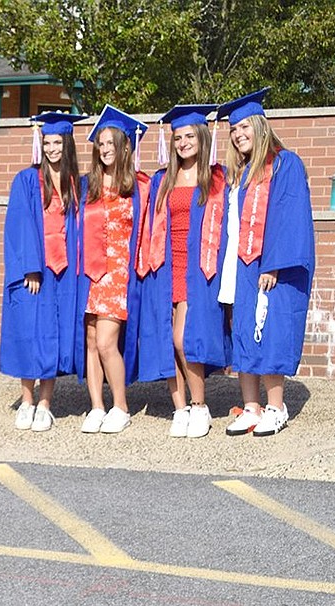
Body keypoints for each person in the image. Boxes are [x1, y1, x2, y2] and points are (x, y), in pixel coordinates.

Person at [216, 88, 315, 437]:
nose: (239, 134)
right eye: (233, 129)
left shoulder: (285, 163)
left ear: (260, 126)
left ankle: (276, 406)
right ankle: (251, 407)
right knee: (244, 331)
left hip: (271, 265)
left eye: (245, 127)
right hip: (241, 264)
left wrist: (272, 263)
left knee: (270, 333)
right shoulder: (240, 172)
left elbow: (289, 215)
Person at [131, 105, 230, 438]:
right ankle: (180, 408)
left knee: (183, 338)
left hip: (198, 268)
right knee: (165, 339)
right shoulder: (163, 178)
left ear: (202, 137)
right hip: (164, 265)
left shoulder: (218, 177)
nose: (183, 143)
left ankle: (200, 406)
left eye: (189, 136)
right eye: (177, 138)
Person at [0, 112, 86, 432]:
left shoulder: (79, 183)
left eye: (58, 142)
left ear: (68, 144)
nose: (52, 149)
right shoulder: (25, 180)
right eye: (47, 142)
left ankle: (46, 404)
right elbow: (19, 226)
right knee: (30, 334)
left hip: (67, 275)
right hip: (37, 274)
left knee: (54, 337)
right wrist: (31, 268)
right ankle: (26, 400)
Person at [76, 105, 149, 434]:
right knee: (91, 340)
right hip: (89, 273)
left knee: (107, 342)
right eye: (100, 144)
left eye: (111, 143)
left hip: (119, 274)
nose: (105, 149)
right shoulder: (87, 185)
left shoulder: (138, 185)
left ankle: (121, 405)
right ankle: (96, 406)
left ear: (123, 146)